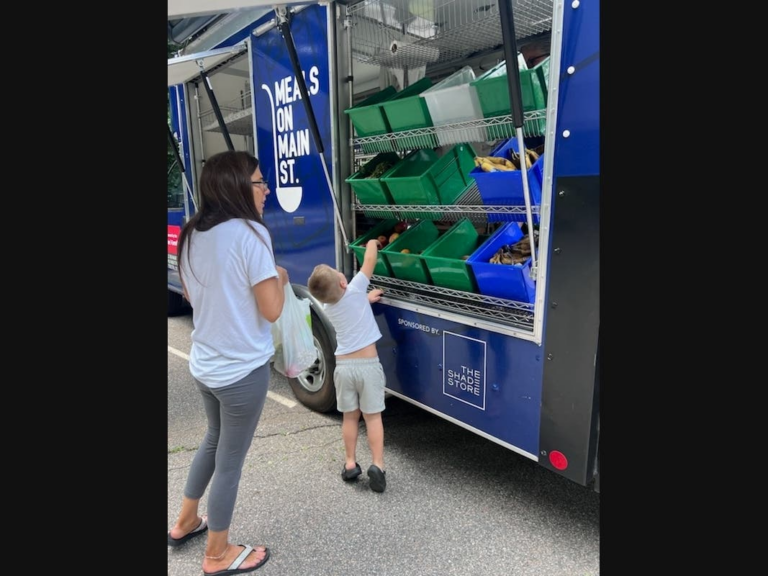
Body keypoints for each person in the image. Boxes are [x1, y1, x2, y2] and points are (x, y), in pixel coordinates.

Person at [167, 150, 289, 575]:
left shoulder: (191, 232)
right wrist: (281, 277)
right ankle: (217, 554)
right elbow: (272, 310)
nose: (266, 189)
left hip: (205, 363)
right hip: (242, 371)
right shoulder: (250, 234)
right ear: (237, 186)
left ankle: (185, 521)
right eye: (259, 182)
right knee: (230, 461)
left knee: (214, 439)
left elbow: (194, 293)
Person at [307, 239, 388, 492]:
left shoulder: (327, 306)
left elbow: (350, 305)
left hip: (343, 368)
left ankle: (351, 463)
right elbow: (370, 261)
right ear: (343, 282)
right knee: (373, 417)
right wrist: (372, 243)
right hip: (367, 366)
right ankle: (377, 465)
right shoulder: (354, 289)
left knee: (350, 417)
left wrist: (365, 300)